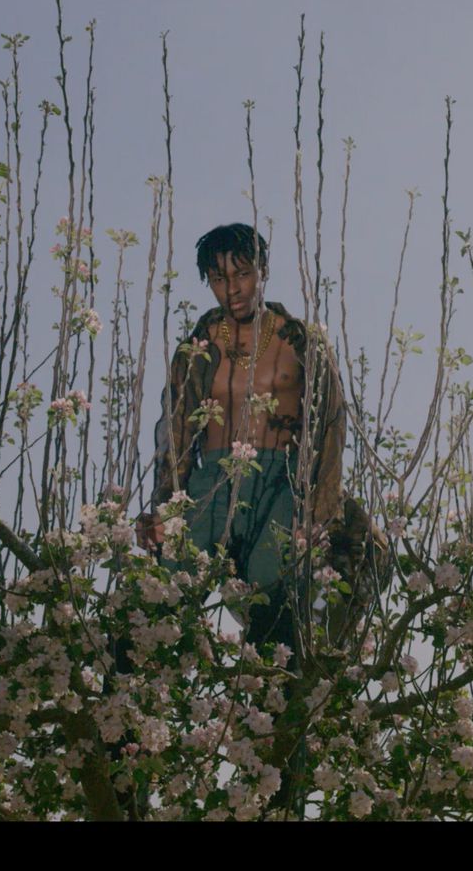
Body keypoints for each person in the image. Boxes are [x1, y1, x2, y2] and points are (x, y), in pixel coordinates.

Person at [138, 223, 347, 663]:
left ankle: (277, 693)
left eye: (243, 274)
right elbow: (175, 435)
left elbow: (331, 426)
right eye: (219, 279)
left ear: (263, 270)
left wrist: (318, 511)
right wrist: (163, 507)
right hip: (213, 477)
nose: (232, 289)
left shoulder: (302, 341)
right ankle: (137, 705)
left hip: (280, 479)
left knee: (268, 580)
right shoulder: (197, 348)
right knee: (168, 578)